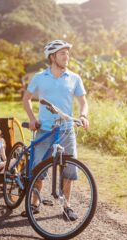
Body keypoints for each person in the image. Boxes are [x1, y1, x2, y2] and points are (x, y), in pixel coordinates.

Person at [22, 40, 89, 221]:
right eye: (62, 54)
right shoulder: (39, 77)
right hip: (45, 129)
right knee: (38, 169)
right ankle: (35, 202)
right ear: (52, 57)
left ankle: (66, 206)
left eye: (67, 53)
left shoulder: (75, 78)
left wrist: (83, 115)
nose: (66, 57)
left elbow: (83, 101)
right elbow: (26, 98)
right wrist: (32, 118)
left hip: (67, 130)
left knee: (70, 170)